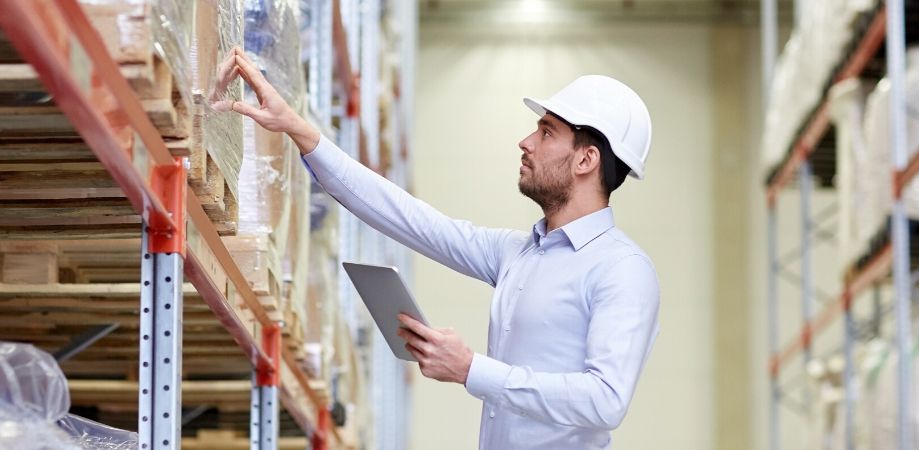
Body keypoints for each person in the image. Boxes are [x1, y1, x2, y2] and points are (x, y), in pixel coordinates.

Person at [226, 48, 660, 450]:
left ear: (586, 160)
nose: (525, 142)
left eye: (546, 132)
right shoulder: (520, 253)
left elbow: (606, 401)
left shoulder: (621, 270)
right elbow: (415, 221)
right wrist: (298, 129)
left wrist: (471, 369)